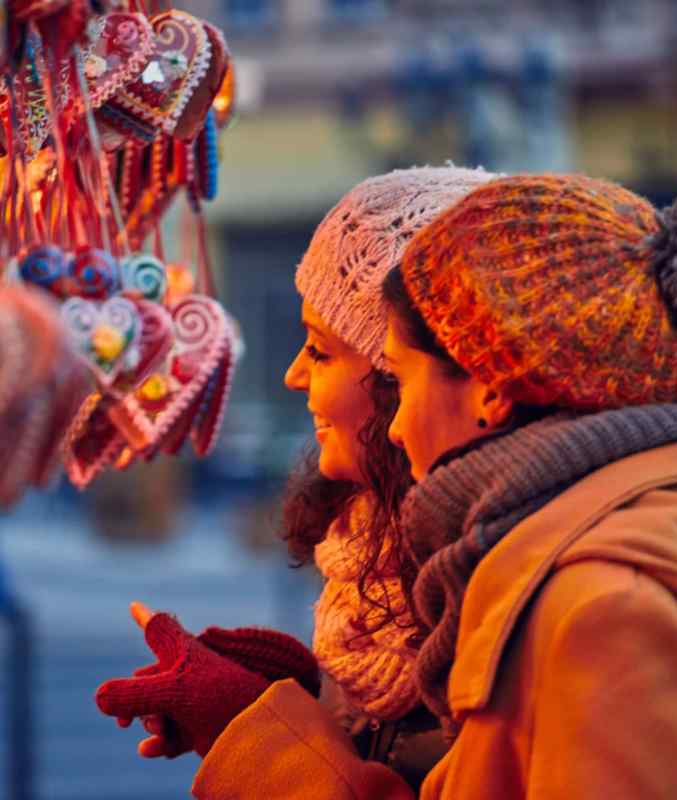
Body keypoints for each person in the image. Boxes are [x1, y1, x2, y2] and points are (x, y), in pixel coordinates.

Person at [96, 173, 677, 799]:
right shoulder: (638, 547)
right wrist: (297, 708)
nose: (398, 423)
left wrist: (262, 749)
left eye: (398, 378)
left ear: (490, 386)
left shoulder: (606, 612)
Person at [95, 166, 498, 789]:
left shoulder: (500, 588)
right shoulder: (376, 558)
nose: (293, 375)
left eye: (319, 350)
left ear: (404, 374)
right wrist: (288, 699)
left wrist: (252, 733)